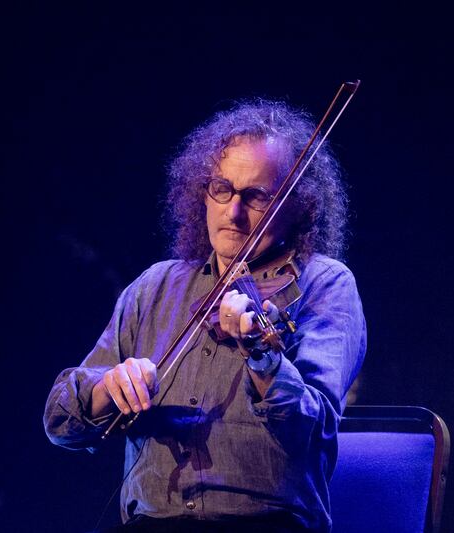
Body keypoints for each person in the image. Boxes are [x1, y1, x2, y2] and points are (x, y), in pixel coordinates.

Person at [43, 99, 367, 532]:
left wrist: (263, 354)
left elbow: (311, 432)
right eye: (222, 189)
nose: (234, 212)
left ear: (296, 206)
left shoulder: (323, 285)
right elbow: (60, 422)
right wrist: (107, 387)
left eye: (256, 196)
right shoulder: (156, 287)